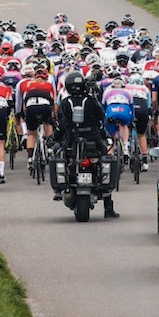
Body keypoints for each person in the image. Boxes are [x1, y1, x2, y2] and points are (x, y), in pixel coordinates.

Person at [52, 71, 118, 218]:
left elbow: (62, 123)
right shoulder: (91, 101)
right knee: (107, 158)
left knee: (57, 152)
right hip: (93, 141)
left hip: (70, 142)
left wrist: (55, 137)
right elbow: (101, 118)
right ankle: (108, 207)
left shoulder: (65, 102)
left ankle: (61, 189)